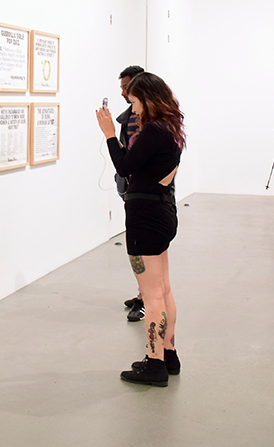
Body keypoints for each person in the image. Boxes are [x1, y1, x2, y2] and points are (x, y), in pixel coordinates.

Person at [96, 72, 185, 387]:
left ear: (148, 99)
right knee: (163, 289)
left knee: (151, 295)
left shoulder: (153, 132)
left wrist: (109, 133)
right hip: (162, 212)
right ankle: (168, 352)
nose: (132, 110)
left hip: (145, 217)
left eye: (134, 102)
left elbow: (124, 165)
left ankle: (155, 363)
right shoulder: (172, 129)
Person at [116, 65, 147, 322]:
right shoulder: (128, 117)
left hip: (147, 196)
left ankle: (146, 297)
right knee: (135, 248)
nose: (124, 94)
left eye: (127, 88)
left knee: (143, 250)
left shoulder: (153, 124)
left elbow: (129, 161)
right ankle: (142, 293)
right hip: (133, 191)